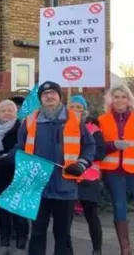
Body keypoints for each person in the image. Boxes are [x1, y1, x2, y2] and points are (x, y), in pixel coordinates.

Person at [0, 81, 96, 255]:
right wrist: (4, 159)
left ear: (60, 96)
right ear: (40, 98)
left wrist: (81, 164)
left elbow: (89, 146)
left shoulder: (74, 118)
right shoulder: (29, 120)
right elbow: (20, 148)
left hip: (65, 185)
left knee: (63, 234)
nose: (49, 96)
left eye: (53, 93)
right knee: (37, 232)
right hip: (37, 185)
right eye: (45, 94)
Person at [0, 100, 28, 255]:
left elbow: (23, 148)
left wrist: (5, 157)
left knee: (18, 210)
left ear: (16, 111)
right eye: (3, 110)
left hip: (16, 172)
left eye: (10, 109)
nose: (6, 112)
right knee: (2, 210)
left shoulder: (22, 127)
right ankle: (4, 244)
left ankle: (20, 246)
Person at [97, 84, 134, 255]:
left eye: (123, 97)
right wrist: (113, 145)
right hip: (113, 171)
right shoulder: (102, 119)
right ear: (111, 99)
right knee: (120, 206)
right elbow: (97, 146)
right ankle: (125, 249)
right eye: (116, 97)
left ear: (129, 99)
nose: (120, 100)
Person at [66, 95, 105, 255]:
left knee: (91, 216)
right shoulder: (63, 127)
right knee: (65, 218)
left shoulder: (93, 130)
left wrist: (81, 158)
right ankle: (66, 250)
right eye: (72, 107)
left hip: (88, 177)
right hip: (68, 177)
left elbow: (100, 152)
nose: (75, 110)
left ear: (84, 112)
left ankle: (97, 250)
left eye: (79, 108)